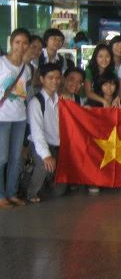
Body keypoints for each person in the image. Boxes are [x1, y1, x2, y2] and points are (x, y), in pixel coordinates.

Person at [26, 62, 67, 203]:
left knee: (59, 191)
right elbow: (37, 133)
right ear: (42, 79)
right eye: (50, 78)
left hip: (58, 146)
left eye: (57, 78)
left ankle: (47, 180)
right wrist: (46, 155)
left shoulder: (61, 100)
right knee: (44, 165)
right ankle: (30, 192)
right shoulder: (36, 102)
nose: (55, 81)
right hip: (40, 145)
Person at [0, 28, 32, 208]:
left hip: (20, 117)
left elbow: (25, 92)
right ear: (11, 43)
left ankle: (11, 193)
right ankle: (0, 195)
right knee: (2, 157)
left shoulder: (27, 68)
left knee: (15, 157)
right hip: (2, 117)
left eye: (25, 43)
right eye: (17, 42)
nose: (21, 46)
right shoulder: (2, 63)